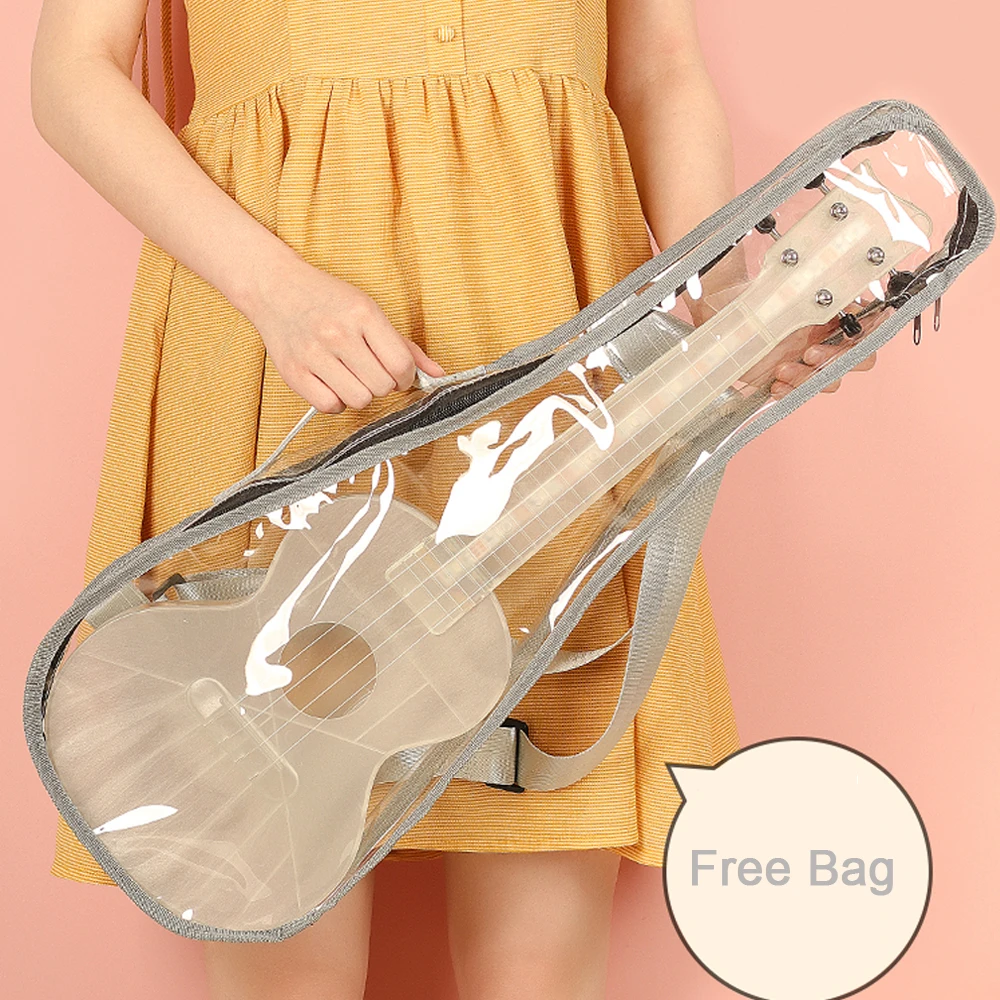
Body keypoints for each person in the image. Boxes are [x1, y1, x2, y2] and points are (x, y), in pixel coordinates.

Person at [30, 1, 874, 997]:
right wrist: (273, 290)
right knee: (281, 935)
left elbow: (658, 66)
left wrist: (719, 304)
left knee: (537, 965)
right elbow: (72, 71)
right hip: (279, 343)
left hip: (558, 333)